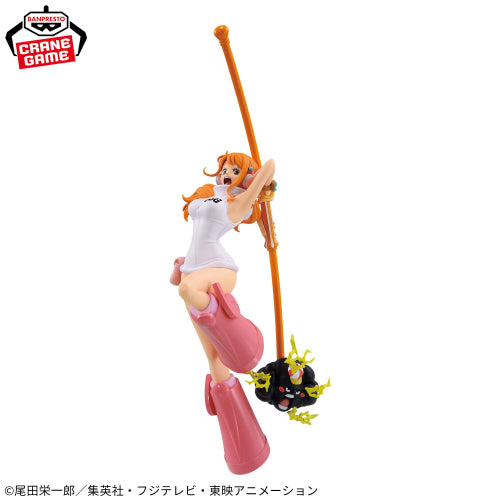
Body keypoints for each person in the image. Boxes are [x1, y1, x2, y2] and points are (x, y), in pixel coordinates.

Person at [170, 151, 275, 474]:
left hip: (217, 270)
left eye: (234, 170)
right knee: (213, 357)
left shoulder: (238, 202)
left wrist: (258, 182)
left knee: (188, 291)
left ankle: (244, 346)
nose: (227, 174)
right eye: (225, 169)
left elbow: (270, 166)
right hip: (192, 270)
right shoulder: (208, 196)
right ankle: (246, 449)